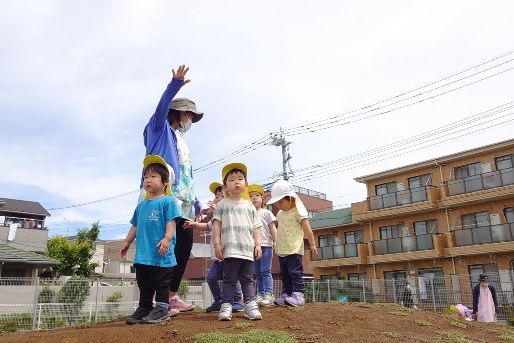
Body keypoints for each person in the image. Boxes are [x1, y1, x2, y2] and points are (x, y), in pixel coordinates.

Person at [140, 64, 204, 313]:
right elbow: (160, 108)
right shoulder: (158, 129)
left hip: (185, 203)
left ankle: (171, 296)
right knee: (163, 246)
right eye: (189, 116)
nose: (190, 121)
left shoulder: (182, 140)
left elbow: (185, 174)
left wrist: (196, 202)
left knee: (183, 248)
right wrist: (174, 84)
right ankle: (157, 300)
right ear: (178, 114)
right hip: (164, 199)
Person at [121, 155, 181, 324]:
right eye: (146, 177)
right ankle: (145, 307)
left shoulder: (168, 201)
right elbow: (135, 226)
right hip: (142, 254)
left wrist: (167, 239)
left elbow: (171, 222)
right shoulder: (141, 206)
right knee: (144, 283)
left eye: (153, 176)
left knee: (162, 283)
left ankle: (162, 308)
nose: (148, 180)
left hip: (161, 253)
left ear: (165, 182)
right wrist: (126, 242)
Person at [212, 163, 263, 321]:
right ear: (225, 186)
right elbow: (216, 225)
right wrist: (217, 244)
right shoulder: (222, 205)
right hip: (230, 250)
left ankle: (250, 306)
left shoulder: (250, 206)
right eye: (232, 180)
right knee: (229, 279)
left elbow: (256, 227)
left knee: (247, 280)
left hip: (247, 250)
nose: (237, 182)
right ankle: (226, 305)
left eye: (240, 179)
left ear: (246, 184)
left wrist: (258, 244)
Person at [183, 182, 244, 313]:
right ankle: (219, 300)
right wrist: (194, 224)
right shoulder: (215, 217)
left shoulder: (231, 213)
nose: (216, 199)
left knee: (231, 277)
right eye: (216, 196)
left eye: (220, 196)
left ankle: (237, 300)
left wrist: (218, 209)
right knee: (211, 277)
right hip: (217, 257)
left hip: (229, 254)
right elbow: (207, 226)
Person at [266, 180, 318, 307]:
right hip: (282, 248)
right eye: (277, 203)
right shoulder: (280, 213)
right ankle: (287, 294)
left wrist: (312, 245)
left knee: (295, 272)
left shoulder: (299, 211)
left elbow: (307, 229)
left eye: (280, 202)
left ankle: (299, 295)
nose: (278, 205)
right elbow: (275, 227)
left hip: (294, 248)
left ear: (291, 199)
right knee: (285, 274)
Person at [248, 183, 277, 306]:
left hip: (266, 246)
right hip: (253, 247)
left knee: (265, 270)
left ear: (262, 199)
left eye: (257, 195)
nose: (254, 198)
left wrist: (276, 240)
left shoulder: (266, 213)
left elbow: (273, 227)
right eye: (251, 196)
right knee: (257, 272)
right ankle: (260, 294)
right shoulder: (248, 214)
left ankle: (269, 294)